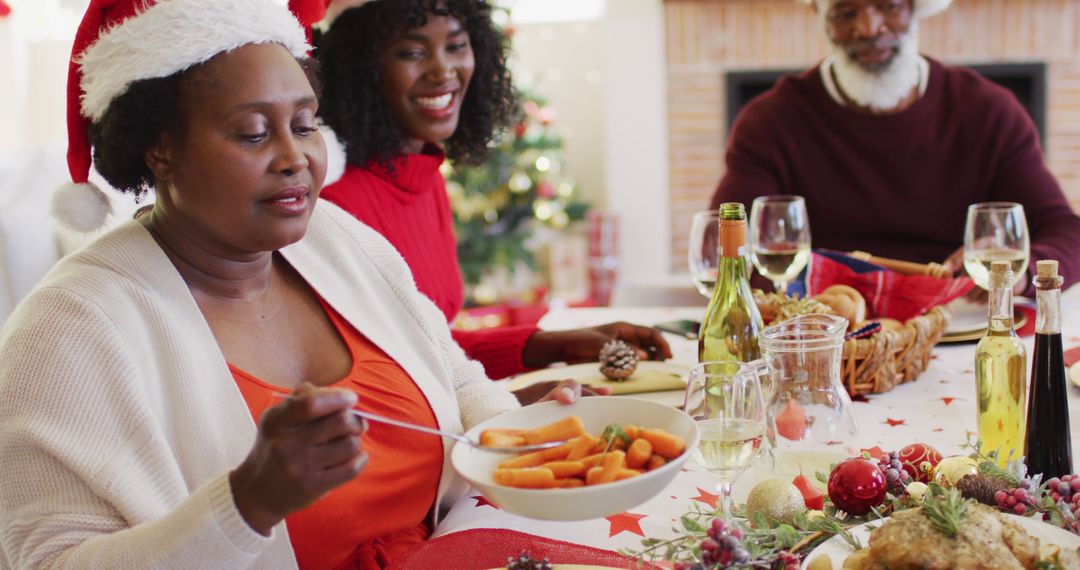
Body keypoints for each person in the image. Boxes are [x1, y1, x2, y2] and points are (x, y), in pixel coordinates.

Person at [0, 0, 586, 567]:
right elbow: (50, 561)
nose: (295, 157)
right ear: (161, 149)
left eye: (305, 125)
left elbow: (453, 379)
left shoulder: (339, 239)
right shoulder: (69, 326)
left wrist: (516, 433)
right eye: (254, 134)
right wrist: (248, 502)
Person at [316, 0, 672, 382]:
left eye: (456, 46)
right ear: (363, 69)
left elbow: (435, 348)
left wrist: (559, 344)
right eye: (413, 52)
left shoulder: (427, 177)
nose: (443, 70)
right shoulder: (335, 204)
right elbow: (386, 370)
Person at [708, 0, 1080, 294]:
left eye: (888, 5)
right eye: (844, 11)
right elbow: (724, 251)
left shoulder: (989, 110)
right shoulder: (769, 121)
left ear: (915, 8)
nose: (869, 28)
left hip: (959, 325)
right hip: (832, 331)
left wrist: (1017, 273)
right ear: (817, 13)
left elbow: (1067, 233)